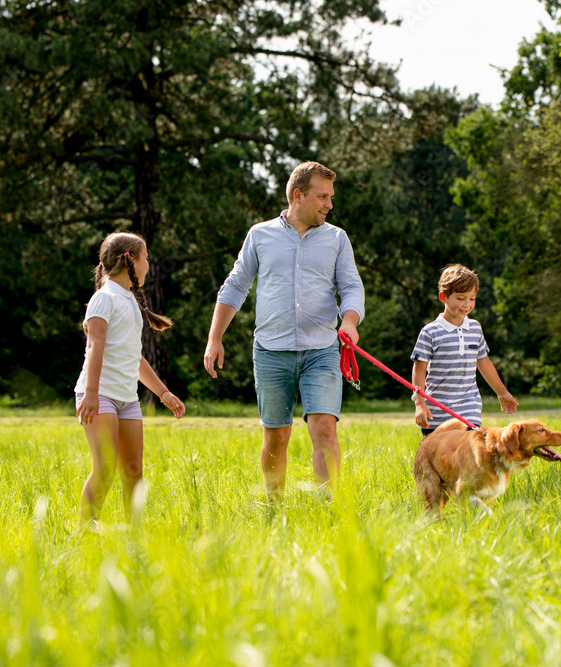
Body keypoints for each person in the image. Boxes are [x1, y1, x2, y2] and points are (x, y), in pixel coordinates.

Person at [203, 161, 364, 499]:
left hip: (321, 350)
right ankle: (274, 508)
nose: (329, 205)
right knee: (276, 435)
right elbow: (235, 286)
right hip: (271, 351)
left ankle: (330, 508)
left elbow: (351, 287)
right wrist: (214, 338)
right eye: (322, 197)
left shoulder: (337, 239)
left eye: (330, 197)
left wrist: (349, 320)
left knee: (325, 429)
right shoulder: (260, 235)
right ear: (298, 195)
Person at [75, 232, 186, 531]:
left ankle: (133, 535)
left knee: (133, 470)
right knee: (106, 467)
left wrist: (163, 393)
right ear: (131, 260)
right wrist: (91, 394)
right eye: (146, 257)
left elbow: (135, 358)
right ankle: (85, 530)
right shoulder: (104, 298)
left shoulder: (131, 301)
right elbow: (95, 348)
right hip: (100, 396)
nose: (149, 263)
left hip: (127, 399)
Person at [411, 264, 518, 435]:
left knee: (467, 459)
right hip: (437, 414)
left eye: (472, 298)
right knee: (438, 462)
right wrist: (420, 404)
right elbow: (419, 370)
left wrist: (502, 392)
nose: (467, 305)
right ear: (443, 297)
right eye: (460, 298)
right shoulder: (430, 332)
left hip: (469, 411)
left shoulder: (475, 328)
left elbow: (484, 364)